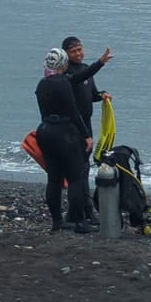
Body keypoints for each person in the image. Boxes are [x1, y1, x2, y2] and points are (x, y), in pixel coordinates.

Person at [35, 48, 100, 234]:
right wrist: (86, 135)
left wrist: (99, 63)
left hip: (45, 130)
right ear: (63, 64)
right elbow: (73, 112)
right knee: (75, 177)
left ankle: (57, 222)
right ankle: (80, 222)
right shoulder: (64, 83)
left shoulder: (42, 84)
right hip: (65, 132)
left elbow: (43, 113)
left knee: (54, 179)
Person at [62, 36, 113, 222]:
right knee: (77, 171)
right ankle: (78, 212)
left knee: (84, 168)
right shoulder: (66, 72)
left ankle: (86, 209)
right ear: (66, 54)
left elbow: (90, 95)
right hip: (73, 129)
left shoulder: (85, 70)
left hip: (87, 126)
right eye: (74, 51)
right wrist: (99, 63)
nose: (78, 54)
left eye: (80, 50)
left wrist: (102, 95)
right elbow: (77, 79)